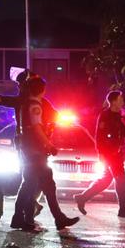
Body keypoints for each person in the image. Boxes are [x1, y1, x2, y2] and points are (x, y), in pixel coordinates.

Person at [0, 70, 51, 217]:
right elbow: (1, 99)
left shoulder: (39, 102)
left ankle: (29, 212)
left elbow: (54, 118)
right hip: (27, 148)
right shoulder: (22, 101)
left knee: (35, 181)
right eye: (19, 85)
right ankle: (26, 213)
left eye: (22, 84)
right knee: (32, 181)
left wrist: (49, 135)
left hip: (36, 148)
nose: (19, 88)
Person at [10, 76, 79, 231]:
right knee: (33, 184)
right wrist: (49, 145)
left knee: (39, 184)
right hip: (36, 152)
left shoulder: (26, 103)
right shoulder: (35, 106)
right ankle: (22, 217)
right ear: (42, 90)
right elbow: (36, 127)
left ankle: (55, 218)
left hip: (30, 151)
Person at [73, 91, 125, 218]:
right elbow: (98, 136)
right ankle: (124, 209)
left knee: (105, 181)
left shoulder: (116, 115)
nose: (123, 102)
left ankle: (82, 198)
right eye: (120, 99)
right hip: (109, 153)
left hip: (115, 152)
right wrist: (101, 153)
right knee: (121, 179)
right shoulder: (105, 115)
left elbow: (123, 130)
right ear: (114, 101)